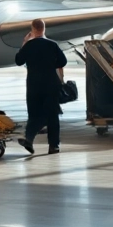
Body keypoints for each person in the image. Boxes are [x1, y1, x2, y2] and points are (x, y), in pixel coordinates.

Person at [15, 18, 68, 155]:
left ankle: (29, 139)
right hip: (50, 84)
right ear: (44, 29)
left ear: (32, 30)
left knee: (34, 114)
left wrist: (24, 43)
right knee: (52, 116)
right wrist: (51, 65)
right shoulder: (52, 45)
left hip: (33, 85)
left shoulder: (28, 46)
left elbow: (18, 61)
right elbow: (63, 61)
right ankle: (53, 146)